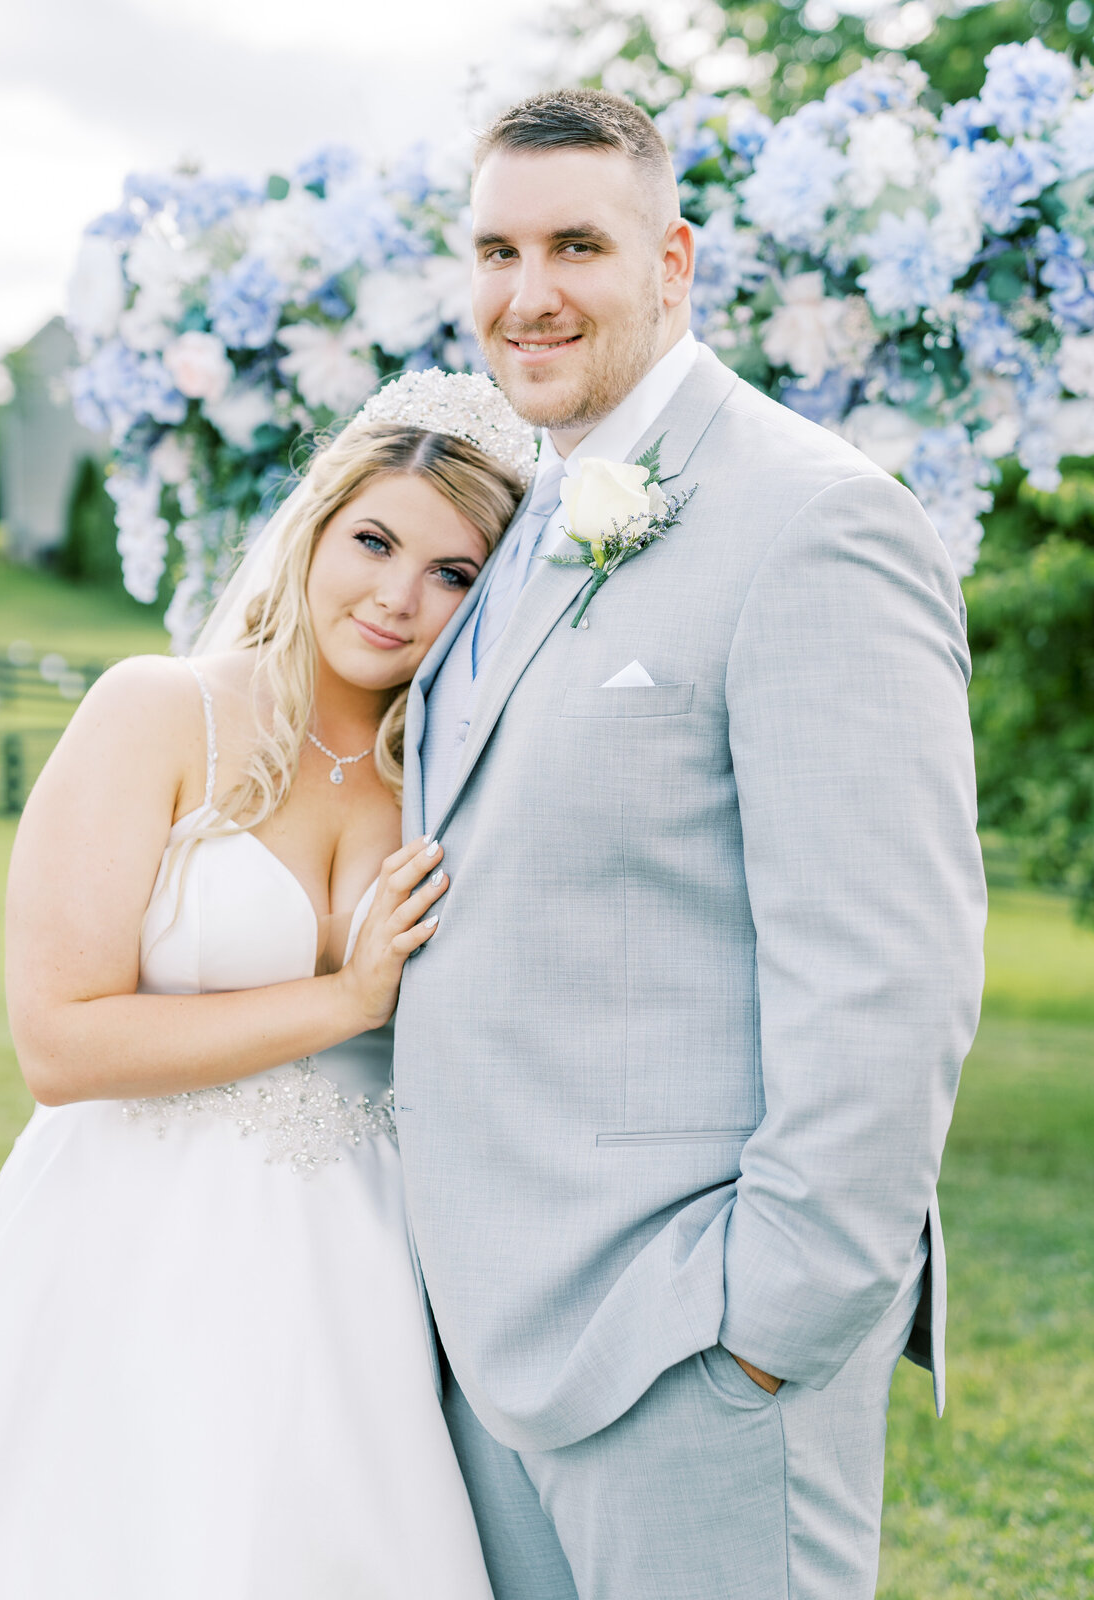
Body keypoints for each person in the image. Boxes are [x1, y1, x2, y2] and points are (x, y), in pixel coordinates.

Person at [393, 89, 988, 1600]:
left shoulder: (816, 523)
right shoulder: (522, 513)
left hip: (689, 1351)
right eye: (496, 250)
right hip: (490, 1341)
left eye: (575, 244)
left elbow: (889, 971)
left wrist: (769, 1329)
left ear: (675, 263)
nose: (528, 295)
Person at [0, 371, 535, 1600]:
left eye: (455, 573)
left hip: (367, 1264)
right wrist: (345, 1001)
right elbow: (59, 1042)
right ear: (315, 525)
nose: (399, 597)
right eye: (377, 540)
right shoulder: (158, 712)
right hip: (133, 1242)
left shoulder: (456, 780)